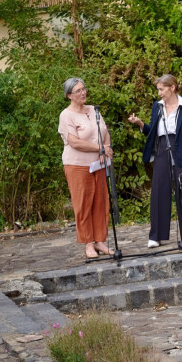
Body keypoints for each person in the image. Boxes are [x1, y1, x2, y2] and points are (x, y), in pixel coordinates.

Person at [128, 74, 182, 247]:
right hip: (162, 149)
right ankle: (156, 236)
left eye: (161, 89)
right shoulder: (157, 106)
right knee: (159, 191)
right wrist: (140, 123)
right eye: (158, 89)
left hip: (181, 150)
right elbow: (152, 131)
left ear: (172, 88)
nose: (159, 93)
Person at [58, 77, 112, 259]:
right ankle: (88, 243)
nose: (83, 93)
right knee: (83, 204)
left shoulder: (94, 110)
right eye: (78, 91)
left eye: (83, 89)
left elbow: (104, 132)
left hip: (98, 164)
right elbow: (75, 142)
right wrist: (100, 148)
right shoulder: (66, 115)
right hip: (77, 165)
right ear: (69, 96)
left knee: (101, 202)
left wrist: (105, 150)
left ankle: (100, 241)